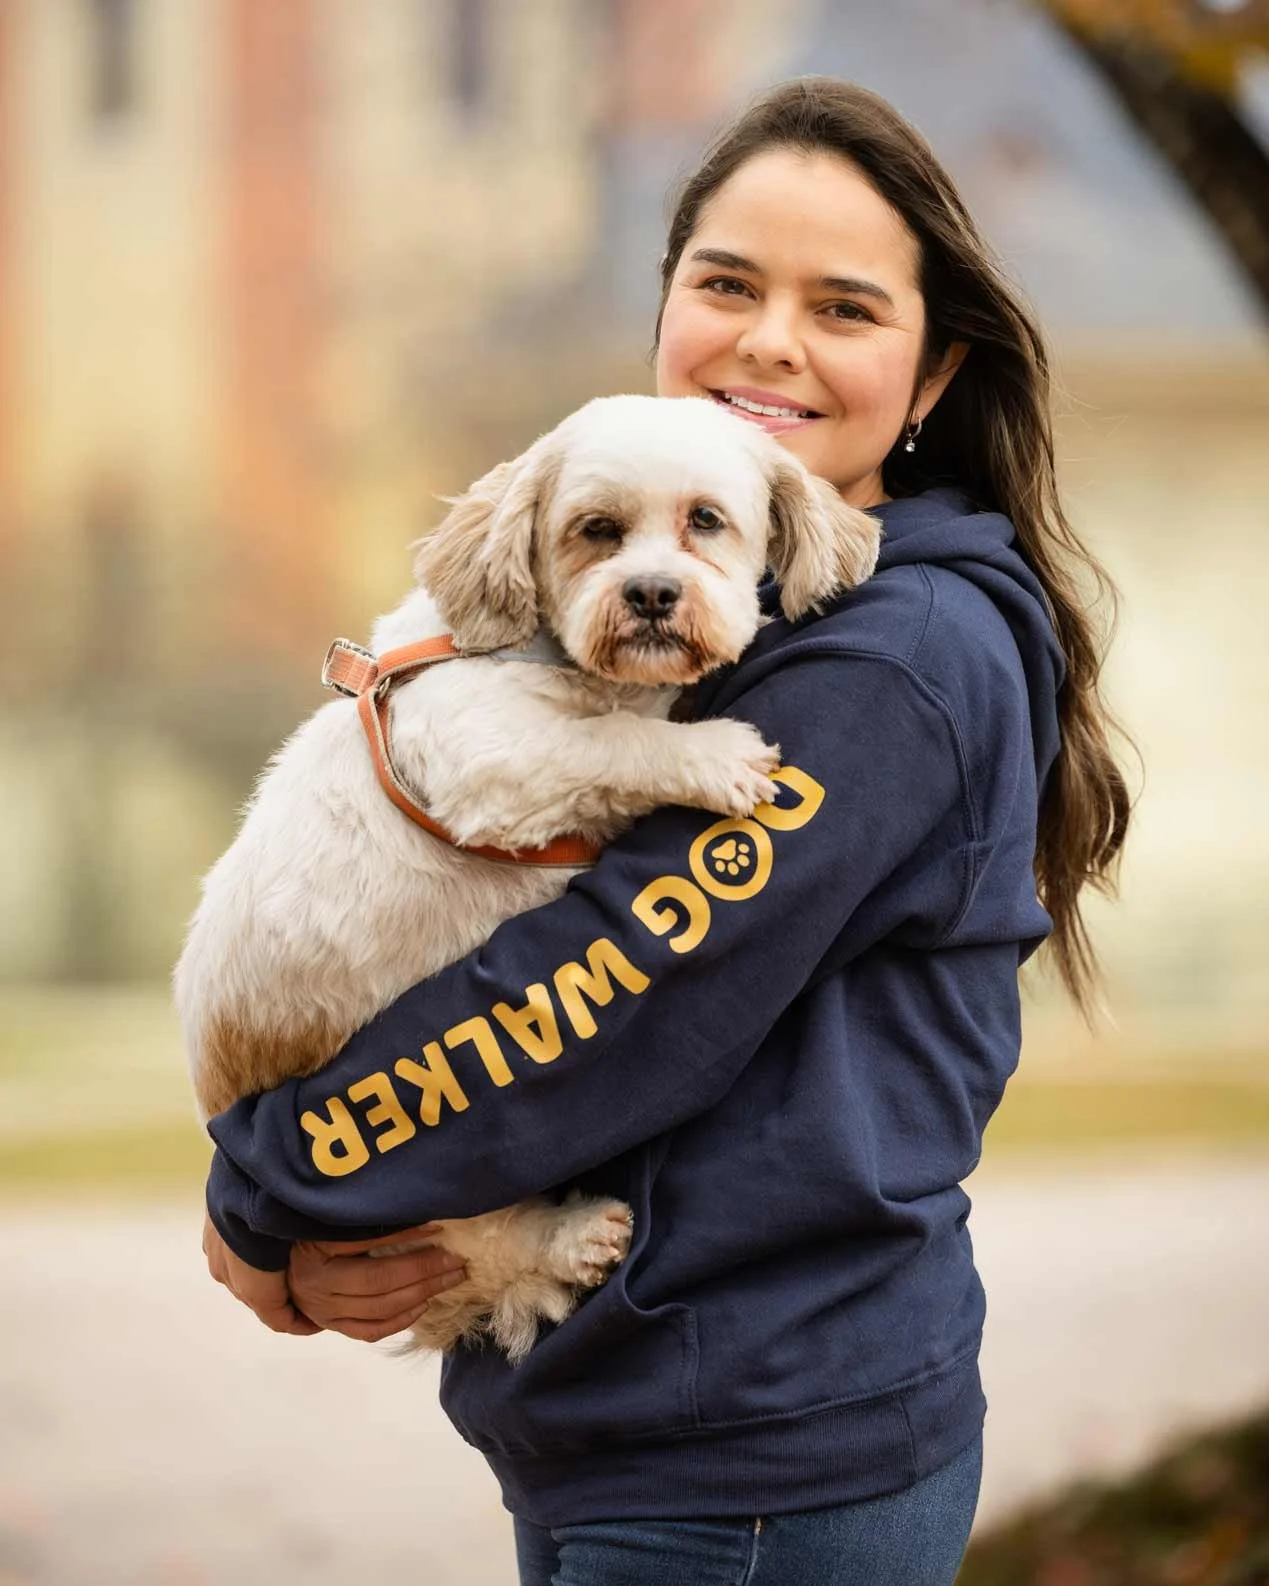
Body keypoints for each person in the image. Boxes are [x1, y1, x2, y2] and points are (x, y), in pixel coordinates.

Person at [200, 78, 1130, 1585]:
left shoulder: (894, 664)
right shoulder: (730, 632)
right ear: (662, 312)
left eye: (842, 306)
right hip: (642, 1424)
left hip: (751, 1457)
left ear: (934, 370)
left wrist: (269, 1183)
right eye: (726, 283)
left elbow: (601, 995)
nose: (770, 339)